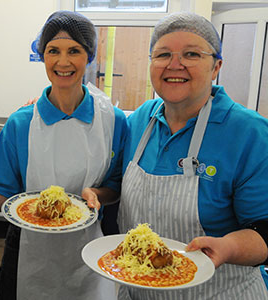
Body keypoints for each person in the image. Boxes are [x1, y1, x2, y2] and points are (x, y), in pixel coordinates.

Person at [0, 11, 128, 300]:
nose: (63, 61)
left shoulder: (113, 121)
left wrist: (96, 193)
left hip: (90, 252)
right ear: (43, 56)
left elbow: (116, 185)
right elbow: (1, 195)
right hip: (27, 252)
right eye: (53, 50)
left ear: (89, 56)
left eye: (74, 51)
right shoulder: (22, 123)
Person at [85, 11, 268, 299]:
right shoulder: (138, 121)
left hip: (219, 292)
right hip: (138, 289)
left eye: (191, 54)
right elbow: (117, 184)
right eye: (162, 55)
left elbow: (264, 229)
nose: (174, 65)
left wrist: (228, 248)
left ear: (216, 66)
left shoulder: (249, 133)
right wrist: (97, 193)